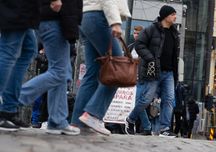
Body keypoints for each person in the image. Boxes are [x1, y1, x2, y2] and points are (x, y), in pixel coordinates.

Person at [19, 0, 83, 136]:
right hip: (55, 19)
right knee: (59, 72)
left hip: (56, 20)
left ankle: (57, 121)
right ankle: (14, 100)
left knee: (62, 72)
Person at [71, 0, 131, 135]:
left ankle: (77, 123)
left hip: (86, 17)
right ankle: (93, 114)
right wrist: (115, 22)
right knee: (117, 69)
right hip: (100, 16)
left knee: (92, 73)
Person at [126, 6, 180, 138]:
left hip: (169, 73)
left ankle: (164, 128)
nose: (175, 17)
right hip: (153, 72)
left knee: (169, 100)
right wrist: (150, 58)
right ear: (165, 16)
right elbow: (139, 45)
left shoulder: (174, 33)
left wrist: (175, 72)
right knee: (145, 100)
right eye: (173, 14)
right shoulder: (151, 29)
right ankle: (130, 119)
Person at [0, 0, 41, 131]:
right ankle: (7, 110)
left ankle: (8, 109)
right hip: (17, 7)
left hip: (21, 8)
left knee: (28, 50)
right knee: (9, 51)